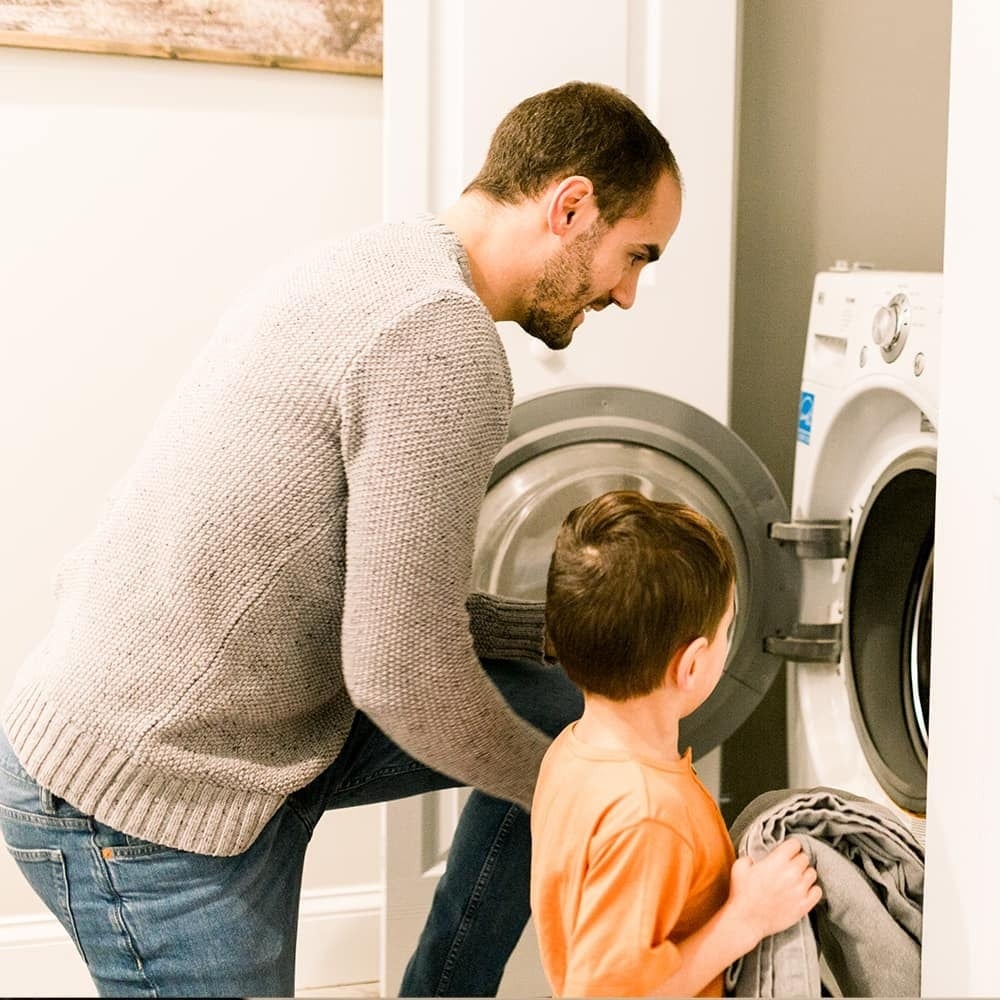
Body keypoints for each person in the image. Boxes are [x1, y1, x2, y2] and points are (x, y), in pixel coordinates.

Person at [0, 82, 683, 998]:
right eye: (634, 255)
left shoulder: (380, 263)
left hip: (237, 718)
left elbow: (380, 592)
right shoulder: (442, 345)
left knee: (567, 703)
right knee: (565, 757)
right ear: (571, 207)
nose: (630, 294)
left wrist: (539, 642)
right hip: (148, 792)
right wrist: (570, 794)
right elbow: (399, 671)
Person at [532, 490, 823, 997]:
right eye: (727, 629)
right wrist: (745, 920)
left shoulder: (572, 751)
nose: (729, 640)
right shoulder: (648, 813)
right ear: (690, 666)